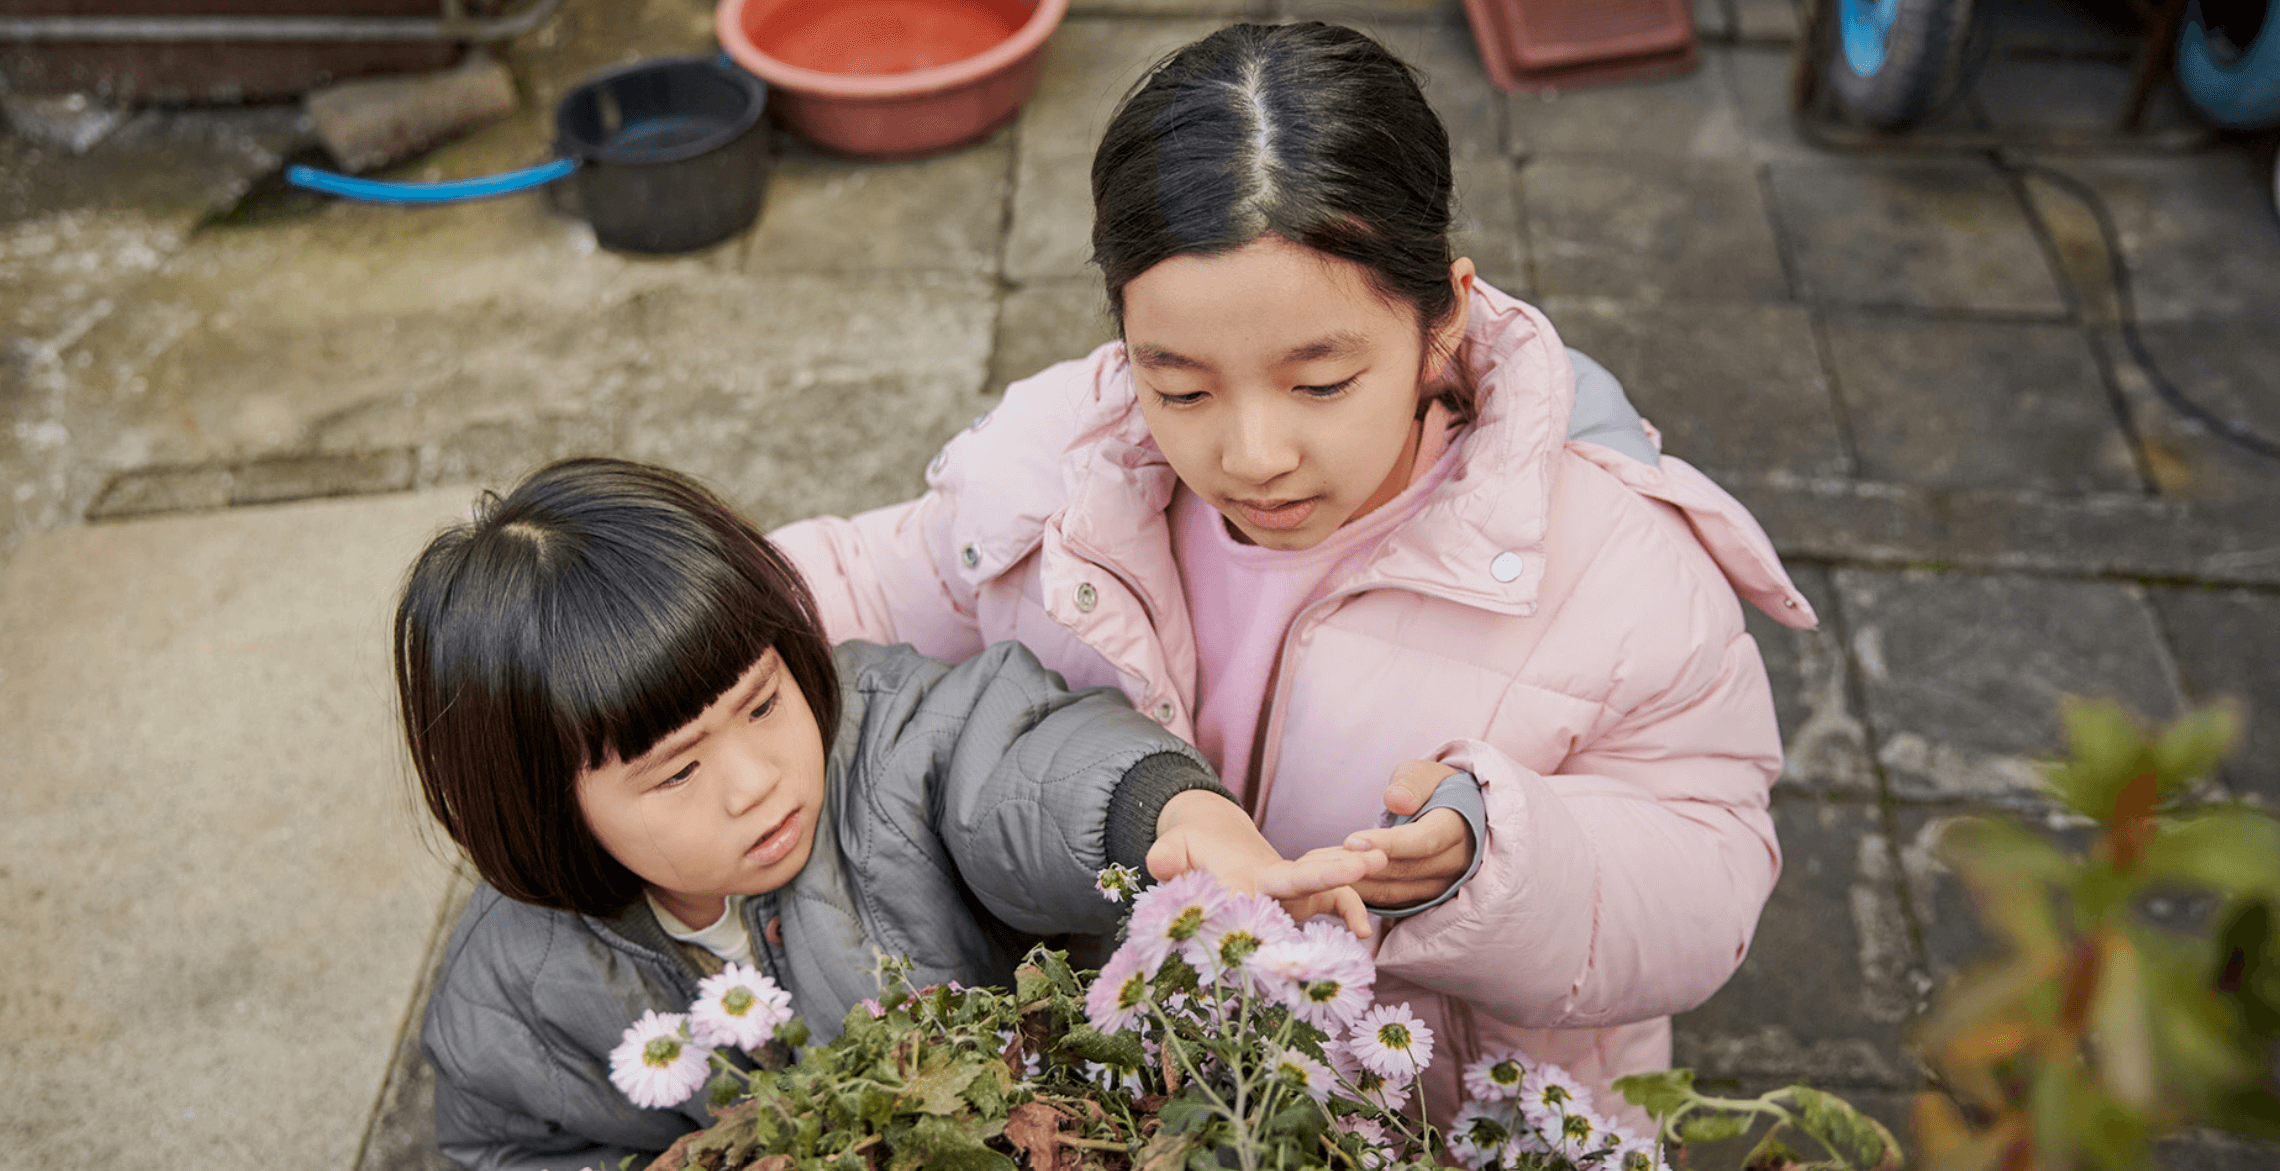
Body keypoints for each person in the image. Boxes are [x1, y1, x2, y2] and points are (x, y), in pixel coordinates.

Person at [766, 21, 1820, 1126]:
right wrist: (665, 618)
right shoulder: (1055, 478)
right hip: (1133, 1100)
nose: (1253, 454)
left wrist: (1496, 857)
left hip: (1444, 1116)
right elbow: (866, 583)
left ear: (1443, 318)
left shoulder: (1613, 560)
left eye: (1320, 384)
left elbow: (1709, 865)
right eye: (1182, 389)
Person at [394, 457, 1372, 1171]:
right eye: (677, 770)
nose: (757, 780)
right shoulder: (513, 987)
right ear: (541, 807)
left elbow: (1024, 760)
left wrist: (1171, 816)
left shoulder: (886, 739)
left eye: (762, 705)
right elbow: (510, 1149)